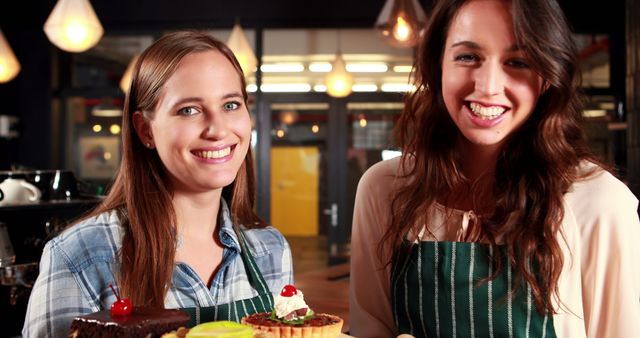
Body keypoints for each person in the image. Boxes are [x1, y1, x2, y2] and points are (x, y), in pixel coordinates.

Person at [349, 0, 640, 337]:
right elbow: (371, 328)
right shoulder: (384, 188)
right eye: (467, 57)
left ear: (547, 77)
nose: (487, 86)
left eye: (518, 62)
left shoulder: (599, 203)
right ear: (437, 65)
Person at [23, 31, 293, 337]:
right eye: (189, 110)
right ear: (145, 130)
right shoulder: (81, 255)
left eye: (230, 105)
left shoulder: (269, 249)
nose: (218, 130)